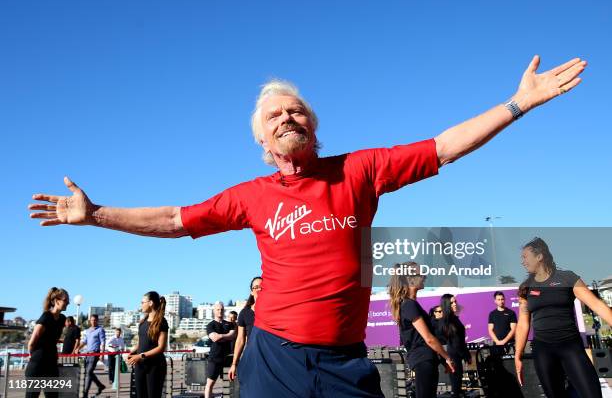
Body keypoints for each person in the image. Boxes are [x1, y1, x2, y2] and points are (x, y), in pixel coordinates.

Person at [29, 56, 586, 397]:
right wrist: (95, 214)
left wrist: (517, 104)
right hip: (273, 359)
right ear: (262, 143)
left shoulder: (359, 170)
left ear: (313, 126)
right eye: (274, 116)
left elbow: (442, 148)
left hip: (346, 359)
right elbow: (176, 220)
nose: (286, 117)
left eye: (295, 111)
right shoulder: (251, 196)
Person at [515, 237, 612, 398]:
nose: (522, 262)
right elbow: (523, 324)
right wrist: (518, 355)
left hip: (570, 347)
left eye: (525, 256)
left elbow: (597, 305)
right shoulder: (525, 288)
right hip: (543, 351)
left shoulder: (567, 278)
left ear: (539, 256)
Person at [389, 263, 454, 398]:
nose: (424, 277)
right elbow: (428, 338)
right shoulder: (409, 305)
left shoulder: (410, 304)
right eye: (420, 274)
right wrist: (447, 358)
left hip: (426, 360)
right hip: (423, 360)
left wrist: (443, 359)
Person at [25, 287, 69, 398]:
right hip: (38, 364)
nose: (68, 303)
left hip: (52, 364)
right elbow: (32, 342)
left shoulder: (62, 319)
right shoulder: (46, 317)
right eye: (65, 300)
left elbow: (51, 338)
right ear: (56, 301)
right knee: (32, 396)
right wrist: (32, 356)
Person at [127, 291, 168, 398]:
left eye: (142, 302)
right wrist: (132, 351)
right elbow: (141, 342)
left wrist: (140, 356)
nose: (141, 305)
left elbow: (161, 347)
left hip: (155, 366)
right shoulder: (143, 321)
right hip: (140, 366)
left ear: (150, 303)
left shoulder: (161, 322)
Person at [437, 294, 471, 398]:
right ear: (446, 304)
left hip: (456, 356)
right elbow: (456, 342)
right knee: (456, 388)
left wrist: (466, 354)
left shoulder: (454, 318)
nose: (455, 304)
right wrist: (466, 355)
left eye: (455, 301)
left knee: (457, 387)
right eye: (451, 302)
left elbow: (459, 341)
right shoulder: (447, 321)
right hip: (453, 357)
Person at [229, 276, 262, 381]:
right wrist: (234, 363)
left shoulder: (274, 310)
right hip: (252, 358)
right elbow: (240, 339)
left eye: (262, 287)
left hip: (271, 357)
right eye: (256, 287)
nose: (259, 289)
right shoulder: (245, 313)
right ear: (251, 291)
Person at [205, 301, 236, 398]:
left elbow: (232, 335)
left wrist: (221, 336)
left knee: (230, 385)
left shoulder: (229, 324)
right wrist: (226, 336)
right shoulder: (210, 325)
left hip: (228, 359)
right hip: (215, 359)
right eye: (218, 309)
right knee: (210, 384)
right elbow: (214, 338)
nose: (220, 311)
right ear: (214, 311)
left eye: (222, 310)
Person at [78, 314, 106, 397]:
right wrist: (77, 348)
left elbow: (103, 342)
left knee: (89, 372)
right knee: (88, 372)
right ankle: (100, 386)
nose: (93, 321)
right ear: (89, 321)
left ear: (97, 321)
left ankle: (85, 393)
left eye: (95, 320)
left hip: (95, 353)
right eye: (92, 320)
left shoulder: (100, 330)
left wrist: (102, 354)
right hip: (87, 353)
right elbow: (84, 341)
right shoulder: (87, 330)